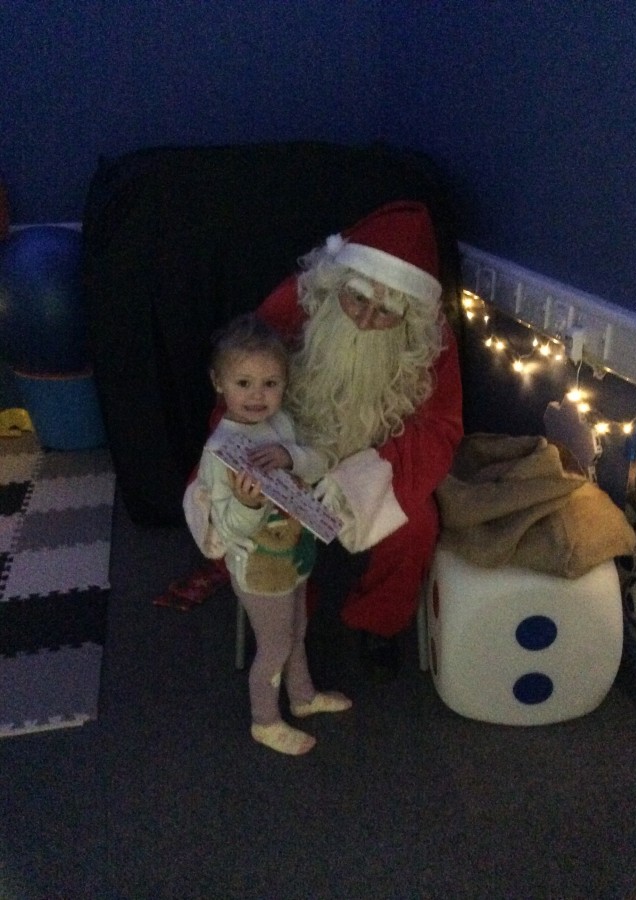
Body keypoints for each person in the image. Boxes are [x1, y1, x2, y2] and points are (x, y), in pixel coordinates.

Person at [256, 201, 464, 681]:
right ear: (337, 283)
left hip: (377, 458)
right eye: (357, 299)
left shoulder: (431, 344)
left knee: (416, 527)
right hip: (290, 448)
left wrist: (363, 479)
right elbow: (241, 382)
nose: (366, 319)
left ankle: (377, 621)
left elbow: (440, 429)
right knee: (269, 520)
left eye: (386, 311)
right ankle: (285, 623)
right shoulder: (293, 304)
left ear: (410, 316)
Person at [183, 314, 352, 755]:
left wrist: (290, 456)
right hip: (256, 567)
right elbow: (227, 528)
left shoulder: (281, 424)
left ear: (284, 383)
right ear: (219, 383)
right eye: (244, 383)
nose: (258, 395)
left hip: (294, 553)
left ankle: (302, 696)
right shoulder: (219, 451)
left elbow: (316, 463)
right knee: (275, 645)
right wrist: (248, 503)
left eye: (270, 384)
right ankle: (265, 720)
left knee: (297, 628)